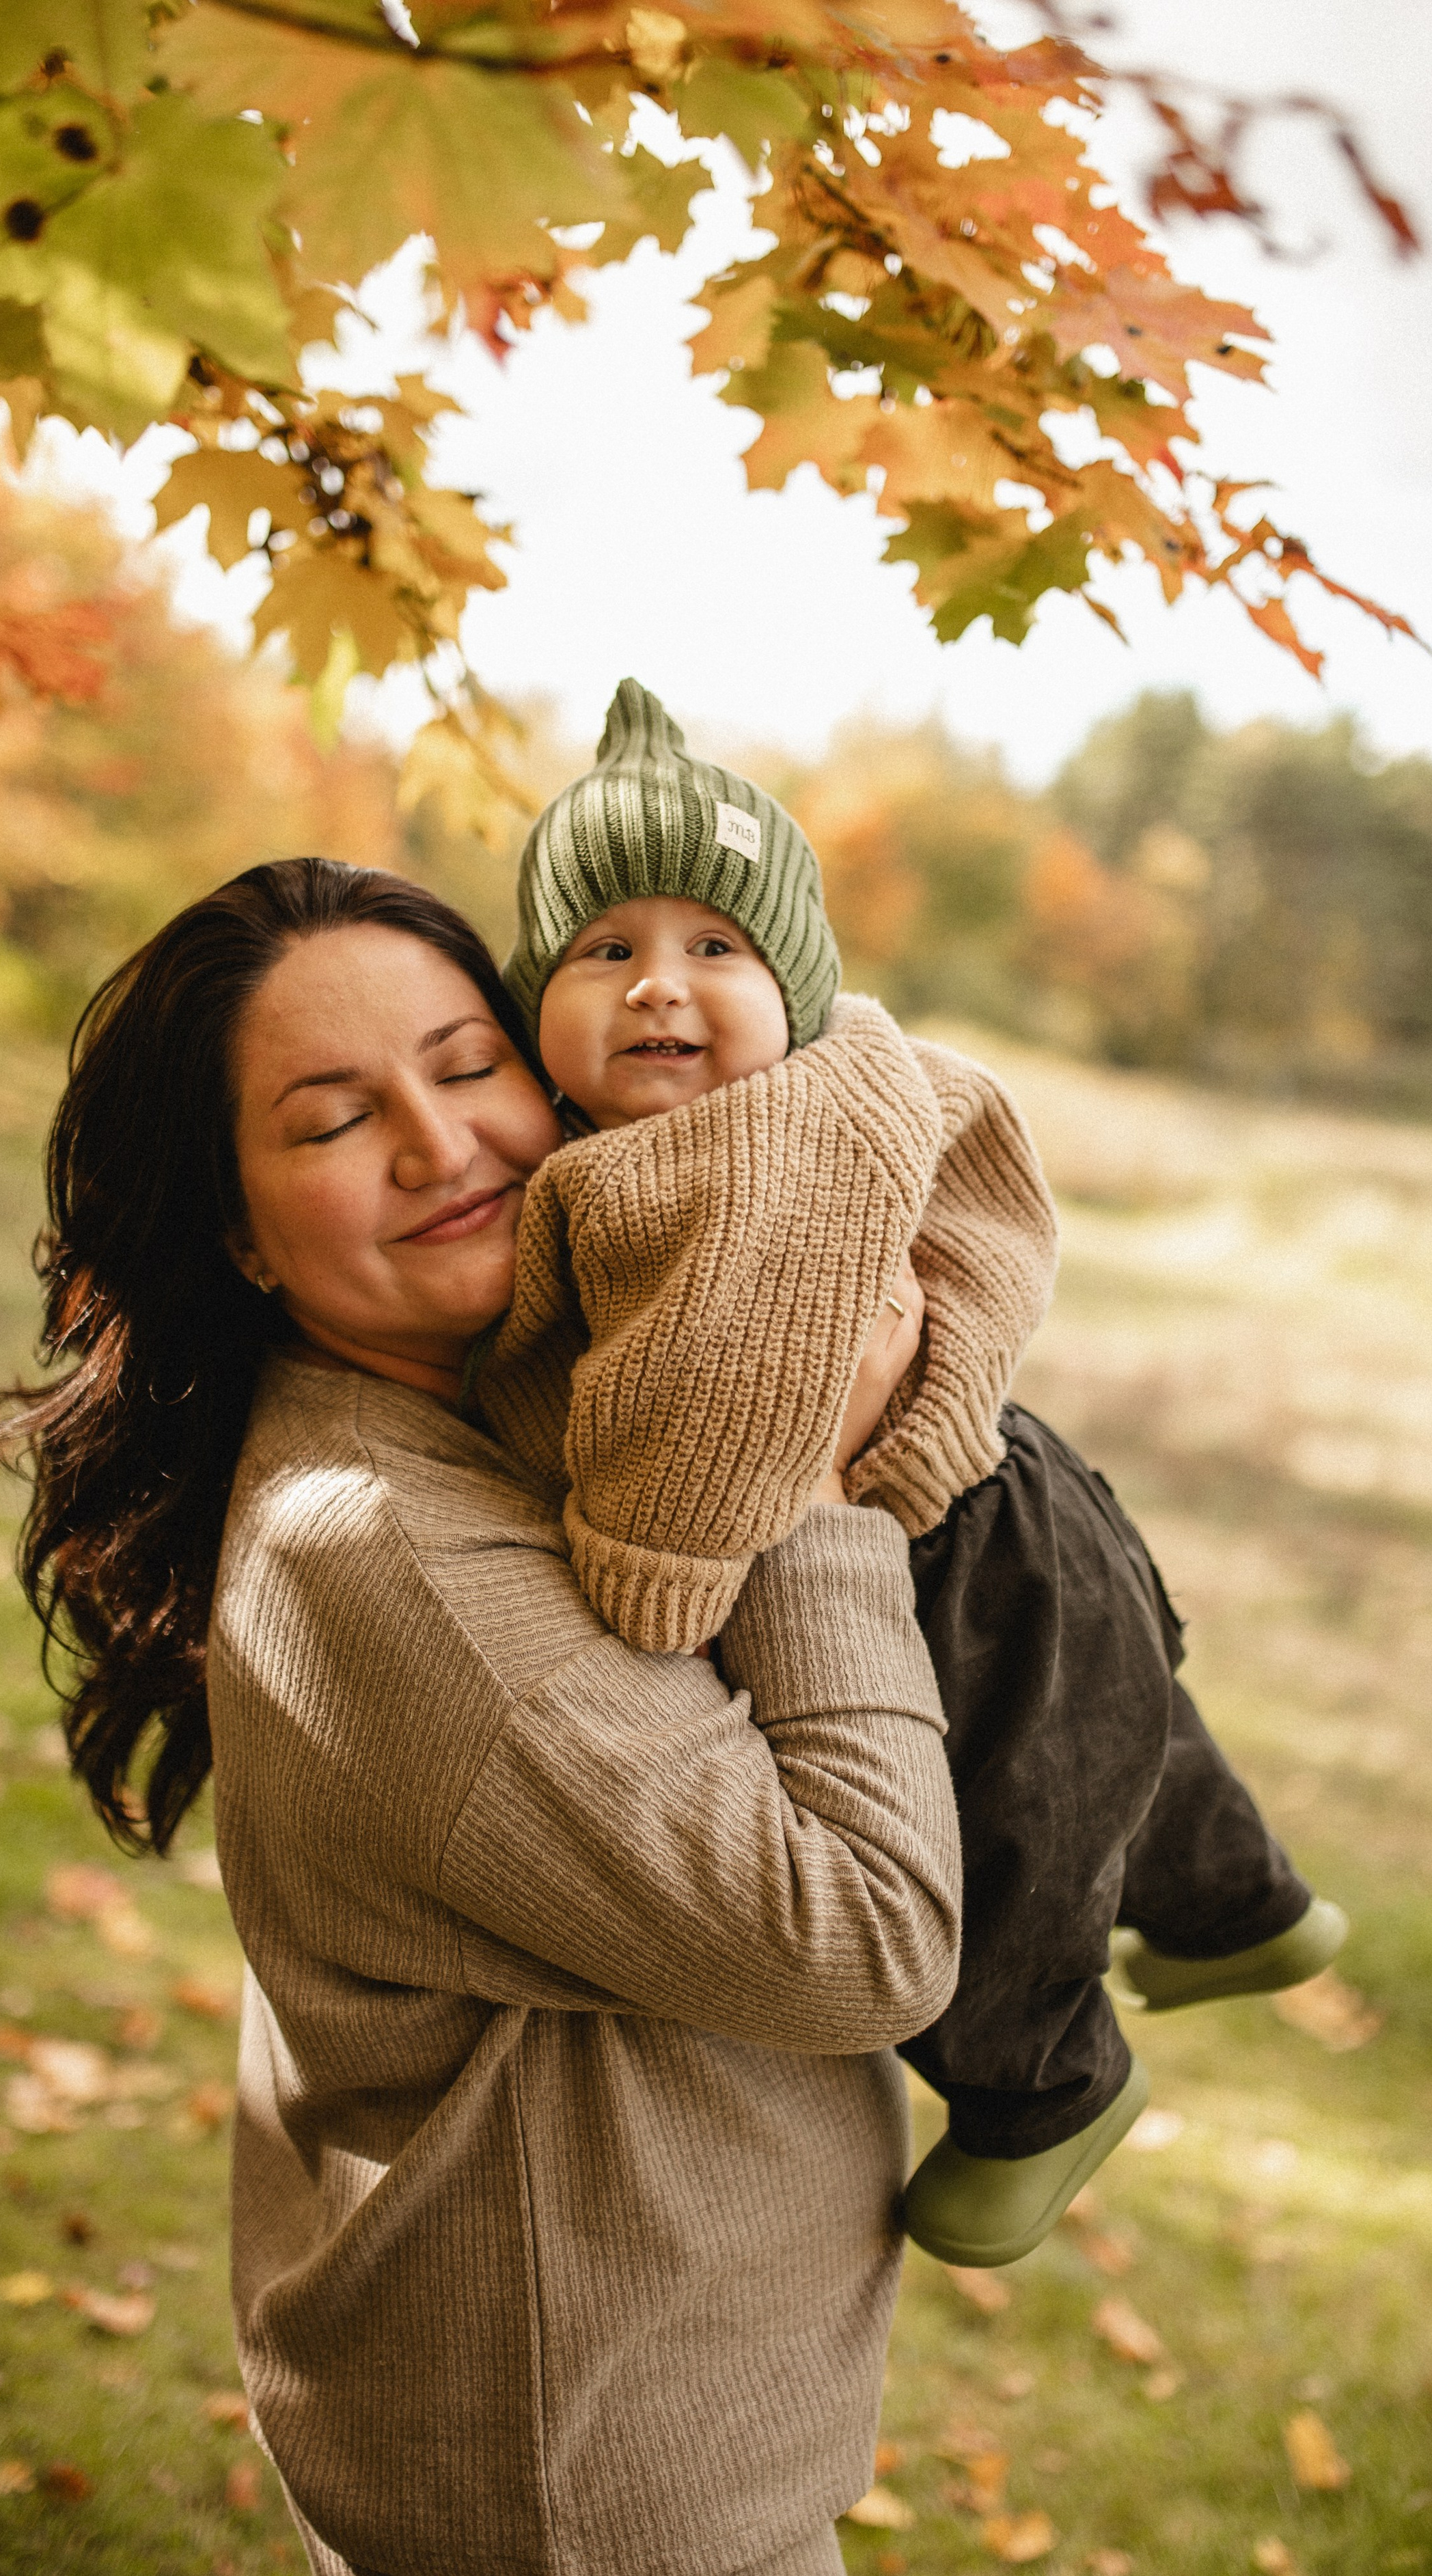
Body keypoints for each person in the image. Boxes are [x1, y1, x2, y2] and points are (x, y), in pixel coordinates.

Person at [0, 856, 963, 2576]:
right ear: (235, 1226)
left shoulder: (507, 1422)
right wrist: (822, 1487)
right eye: (333, 1119)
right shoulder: (386, 1555)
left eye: (464, 1064)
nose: (442, 1148)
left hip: (583, 2420)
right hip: (586, 2489)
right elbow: (867, 1937)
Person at [477, 679, 1347, 2271]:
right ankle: (1242, 1909)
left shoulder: (747, 1149)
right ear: (537, 1000)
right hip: (1026, 1490)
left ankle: (1045, 2092)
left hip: (952, 1552)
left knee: (1008, 1819)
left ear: (794, 984)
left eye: (713, 950)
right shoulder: (794, 1101)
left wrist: (649, 1575)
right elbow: (990, 1191)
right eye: (603, 951)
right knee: (1110, 1716)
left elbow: (728, 1395)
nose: (657, 987)